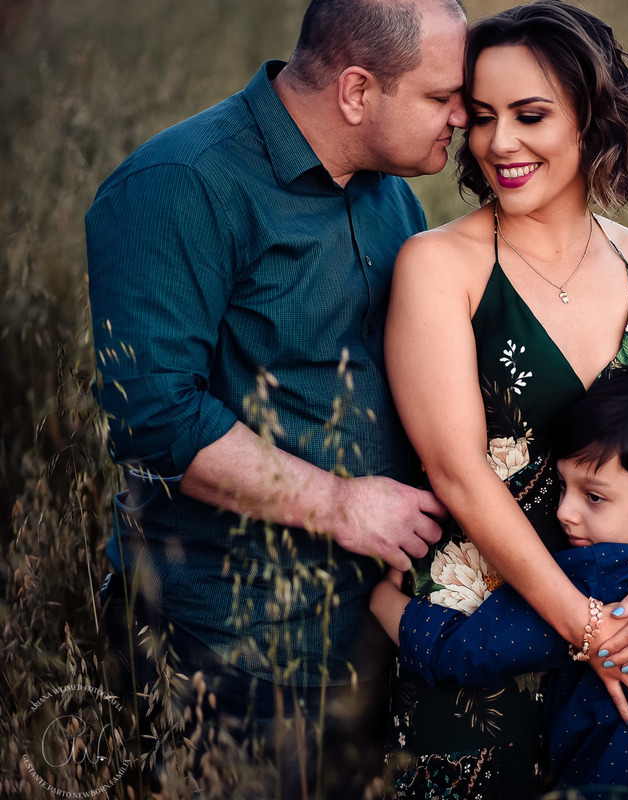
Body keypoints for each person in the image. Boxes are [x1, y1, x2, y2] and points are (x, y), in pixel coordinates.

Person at [85, 0, 467, 793]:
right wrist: (341, 504)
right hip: (228, 642)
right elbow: (157, 419)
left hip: (372, 625)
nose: (463, 117)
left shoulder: (389, 192)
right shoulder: (180, 184)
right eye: (442, 96)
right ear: (356, 92)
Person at [382, 1, 628, 795]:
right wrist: (587, 629)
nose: (500, 142)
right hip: (482, 646)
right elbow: (457, 471)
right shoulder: (440, 266)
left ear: (591, 119)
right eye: (482, 117)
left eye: (530, 115)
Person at [371, 366, 628, 799]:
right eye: (562, 485)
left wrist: (382, 599)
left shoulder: (597, 579)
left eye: (594, 496)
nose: (565, 511)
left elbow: (460, 652)